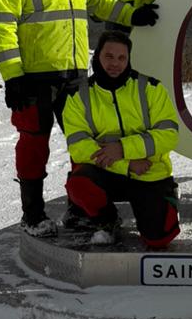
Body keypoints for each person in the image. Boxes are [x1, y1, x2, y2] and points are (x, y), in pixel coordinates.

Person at [0, 0, 159, 237]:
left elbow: (101, 3)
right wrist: (13, 77)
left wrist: (132, 15)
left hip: (75, 78)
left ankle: (80, 210)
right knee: (34, 146)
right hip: (33, 80)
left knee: (86, 145)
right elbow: (1, 27)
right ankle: (33, 215)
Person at [62, 30, 181, 248]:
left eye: (121, 58)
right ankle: (107, 220)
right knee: (79, 184)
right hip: (109, 172)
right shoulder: (78, 96)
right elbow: (79, 147)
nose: (115, 63)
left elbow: (169, 136)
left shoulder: (151, 88)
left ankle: (167, 197)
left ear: (128, 60)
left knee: (159, 240)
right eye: (109, 56)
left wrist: (123, 148)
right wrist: (127, 164)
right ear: (97, 55)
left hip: (148, 172)